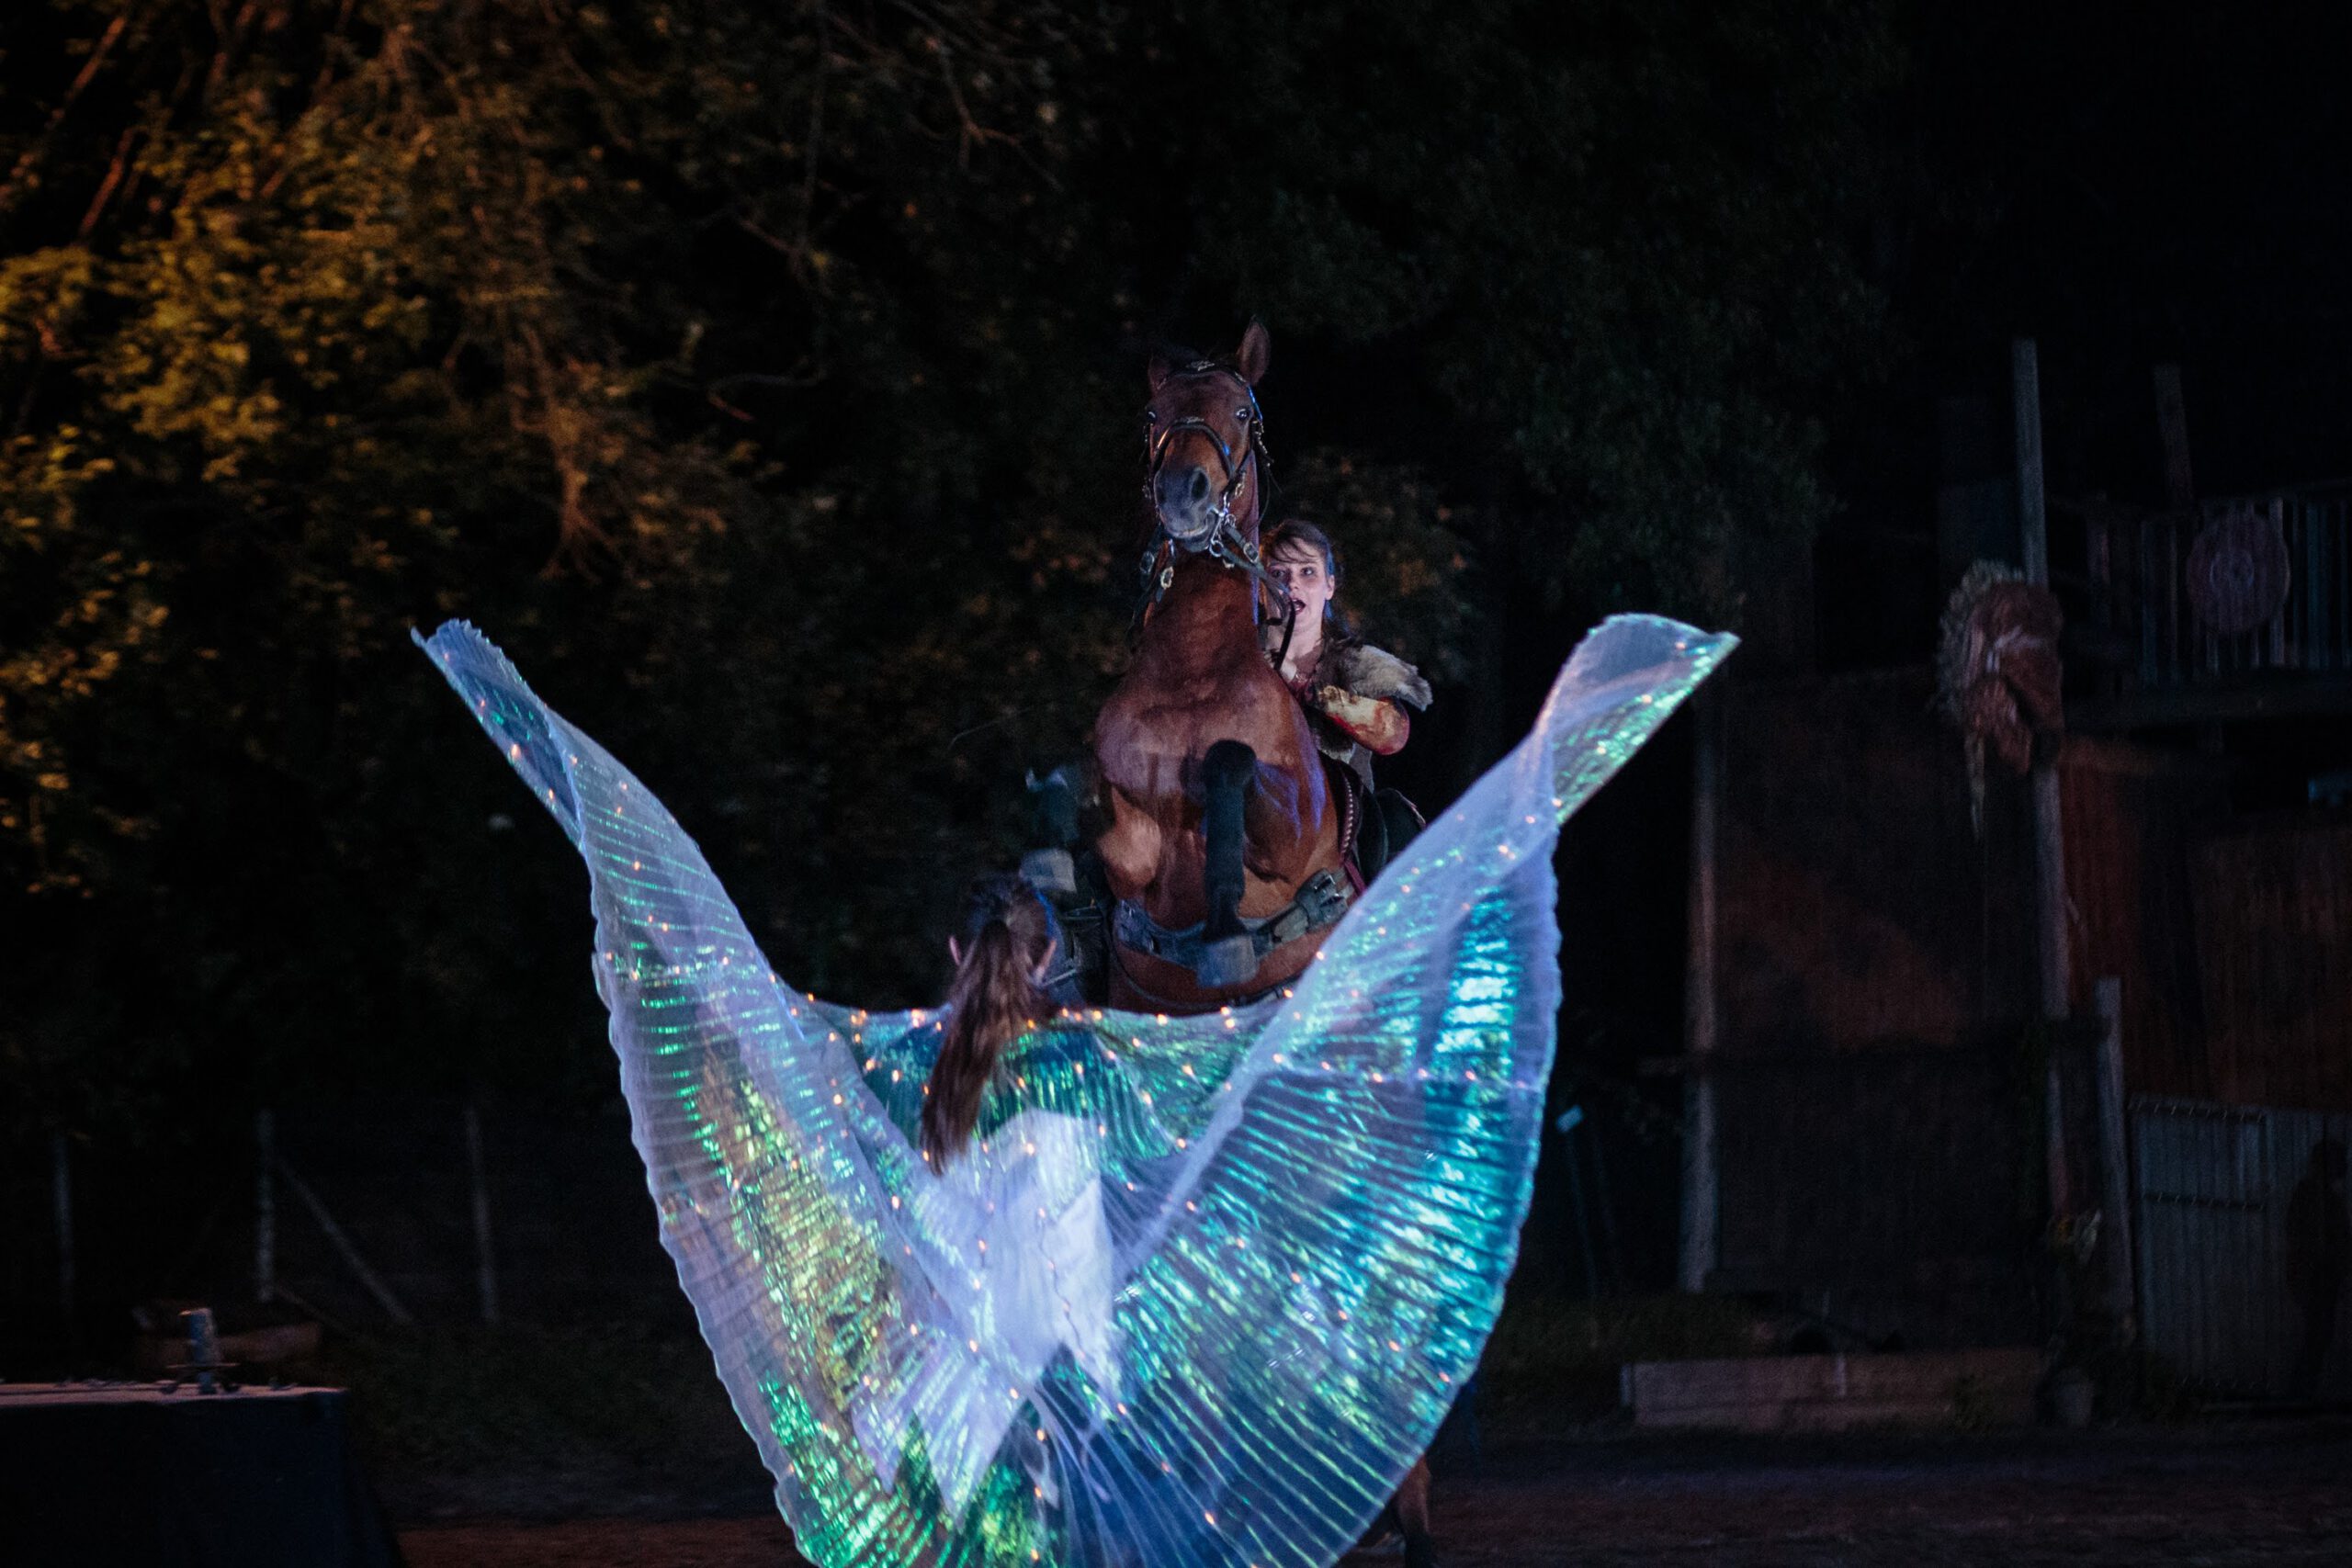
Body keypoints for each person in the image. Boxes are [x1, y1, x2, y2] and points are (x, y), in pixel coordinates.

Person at [415, 612, 1731, 1568]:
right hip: (1039, 1392)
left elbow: (889, 1167)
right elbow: (1143, 1152)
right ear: (1048, 961)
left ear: (959, 959)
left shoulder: (923, 1065)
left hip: (952, 1394)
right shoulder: (1084, 1061)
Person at [1261, 518, 1431, 882]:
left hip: (1339, 826)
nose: (1292, 584)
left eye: (1307, 572)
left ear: (1329, 586)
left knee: (1398, 823)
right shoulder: (1234, 663)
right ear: (1260, 587)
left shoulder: (1358, 664)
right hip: (1251, 809)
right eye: (1278, 573)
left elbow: (1392, 732)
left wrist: (1304, 686)